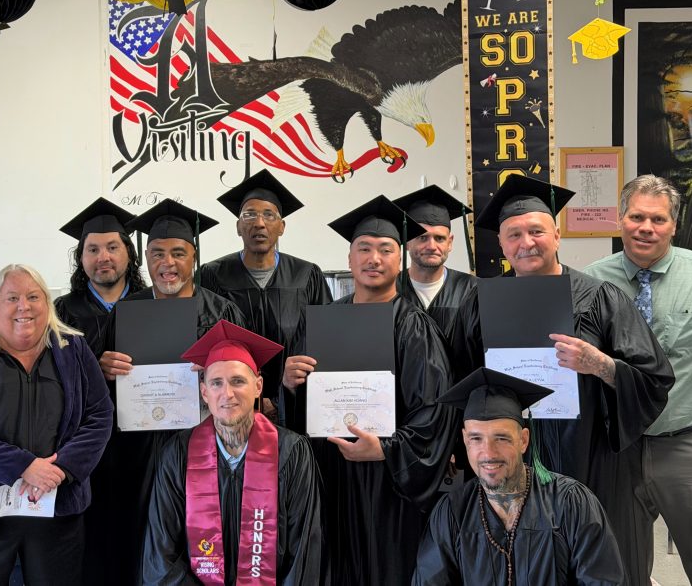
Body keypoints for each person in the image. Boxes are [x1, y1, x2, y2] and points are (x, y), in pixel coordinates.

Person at [450, 174, 674, 585]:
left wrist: (601, 365)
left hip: (589, 456)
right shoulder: (480, 303)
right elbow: (459, 377)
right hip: (509, 458)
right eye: (513, 233)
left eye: (536, 230)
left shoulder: (600, 297)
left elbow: (654, 377)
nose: (526, 242)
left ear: (556, 234)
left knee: (594, 560)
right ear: (501, 244)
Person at [282, 195, 457, 585]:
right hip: (329, 477)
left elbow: (434, 411)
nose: (373, 258)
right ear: (349, 259)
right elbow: (297, 412)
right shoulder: (321, 323)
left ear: (400, 260)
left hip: (386, 486)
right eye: (364, 248)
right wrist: (289, 384)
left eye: (385, 249)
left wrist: (385, 449)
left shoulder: (414, 327)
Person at [89, 198, 247, 585]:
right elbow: (91, 387)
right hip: (136, 454)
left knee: (199, 541)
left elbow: (249, 383)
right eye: (157, 253)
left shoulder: (223, 313)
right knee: (137, 541)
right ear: (145, 258)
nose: (167, 263)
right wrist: (101, 367)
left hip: (203, 449)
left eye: (178, 253)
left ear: (194, 257)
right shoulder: (127, 312)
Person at [0, 263, 112, 586]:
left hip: (57, 507)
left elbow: (99, 416)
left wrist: (60, 469)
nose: (24, 306)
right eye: (12, 298)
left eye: (34, 296)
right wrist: (24, 466)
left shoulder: (74, 351)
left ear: (47, 304)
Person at [143, 320, 322, 584]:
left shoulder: (291, 453)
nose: (227, 394)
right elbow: (162, 555)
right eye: (216, 383)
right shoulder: (178, 454)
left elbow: (303, 553)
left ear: (258, 386)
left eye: (238, 381)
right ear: (204, 392)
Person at [413, 367, 624, 585]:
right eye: (476, 438)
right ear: (465, 440)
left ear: (523, 440)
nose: (488, 453)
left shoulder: (571, 504)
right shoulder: (452, 512)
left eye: (502, 438)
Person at [585, 174, 692, 584]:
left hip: (684, 444)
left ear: (673, 225)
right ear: (619, 219)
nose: (646, 228)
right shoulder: (590, 282)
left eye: (658, 219)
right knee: (621, 564)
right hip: (617, 448)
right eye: (636, 216)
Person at [201, 170, 332, 420]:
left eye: (269, 215)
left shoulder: (307, 275)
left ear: (281, 227)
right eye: (249, 215)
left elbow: (323, 343)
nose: (259, 223)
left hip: (296, 406)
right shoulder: (213, 275)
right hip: (233, 407)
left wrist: (283, 395)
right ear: (238, 227)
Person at [54, 198, 146, 357]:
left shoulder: (150, 305)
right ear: (81, 258)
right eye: (93, 250)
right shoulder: (62, 311)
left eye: (112, 248)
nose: (103, 257)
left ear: (129, 253)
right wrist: (95, 368)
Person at [393, 184, 477, 348]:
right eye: (422, 238)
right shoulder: (389, 290)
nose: (432, 246)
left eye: (439, 238)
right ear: (407, 242)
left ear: (450, 242)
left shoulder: (473, 289)